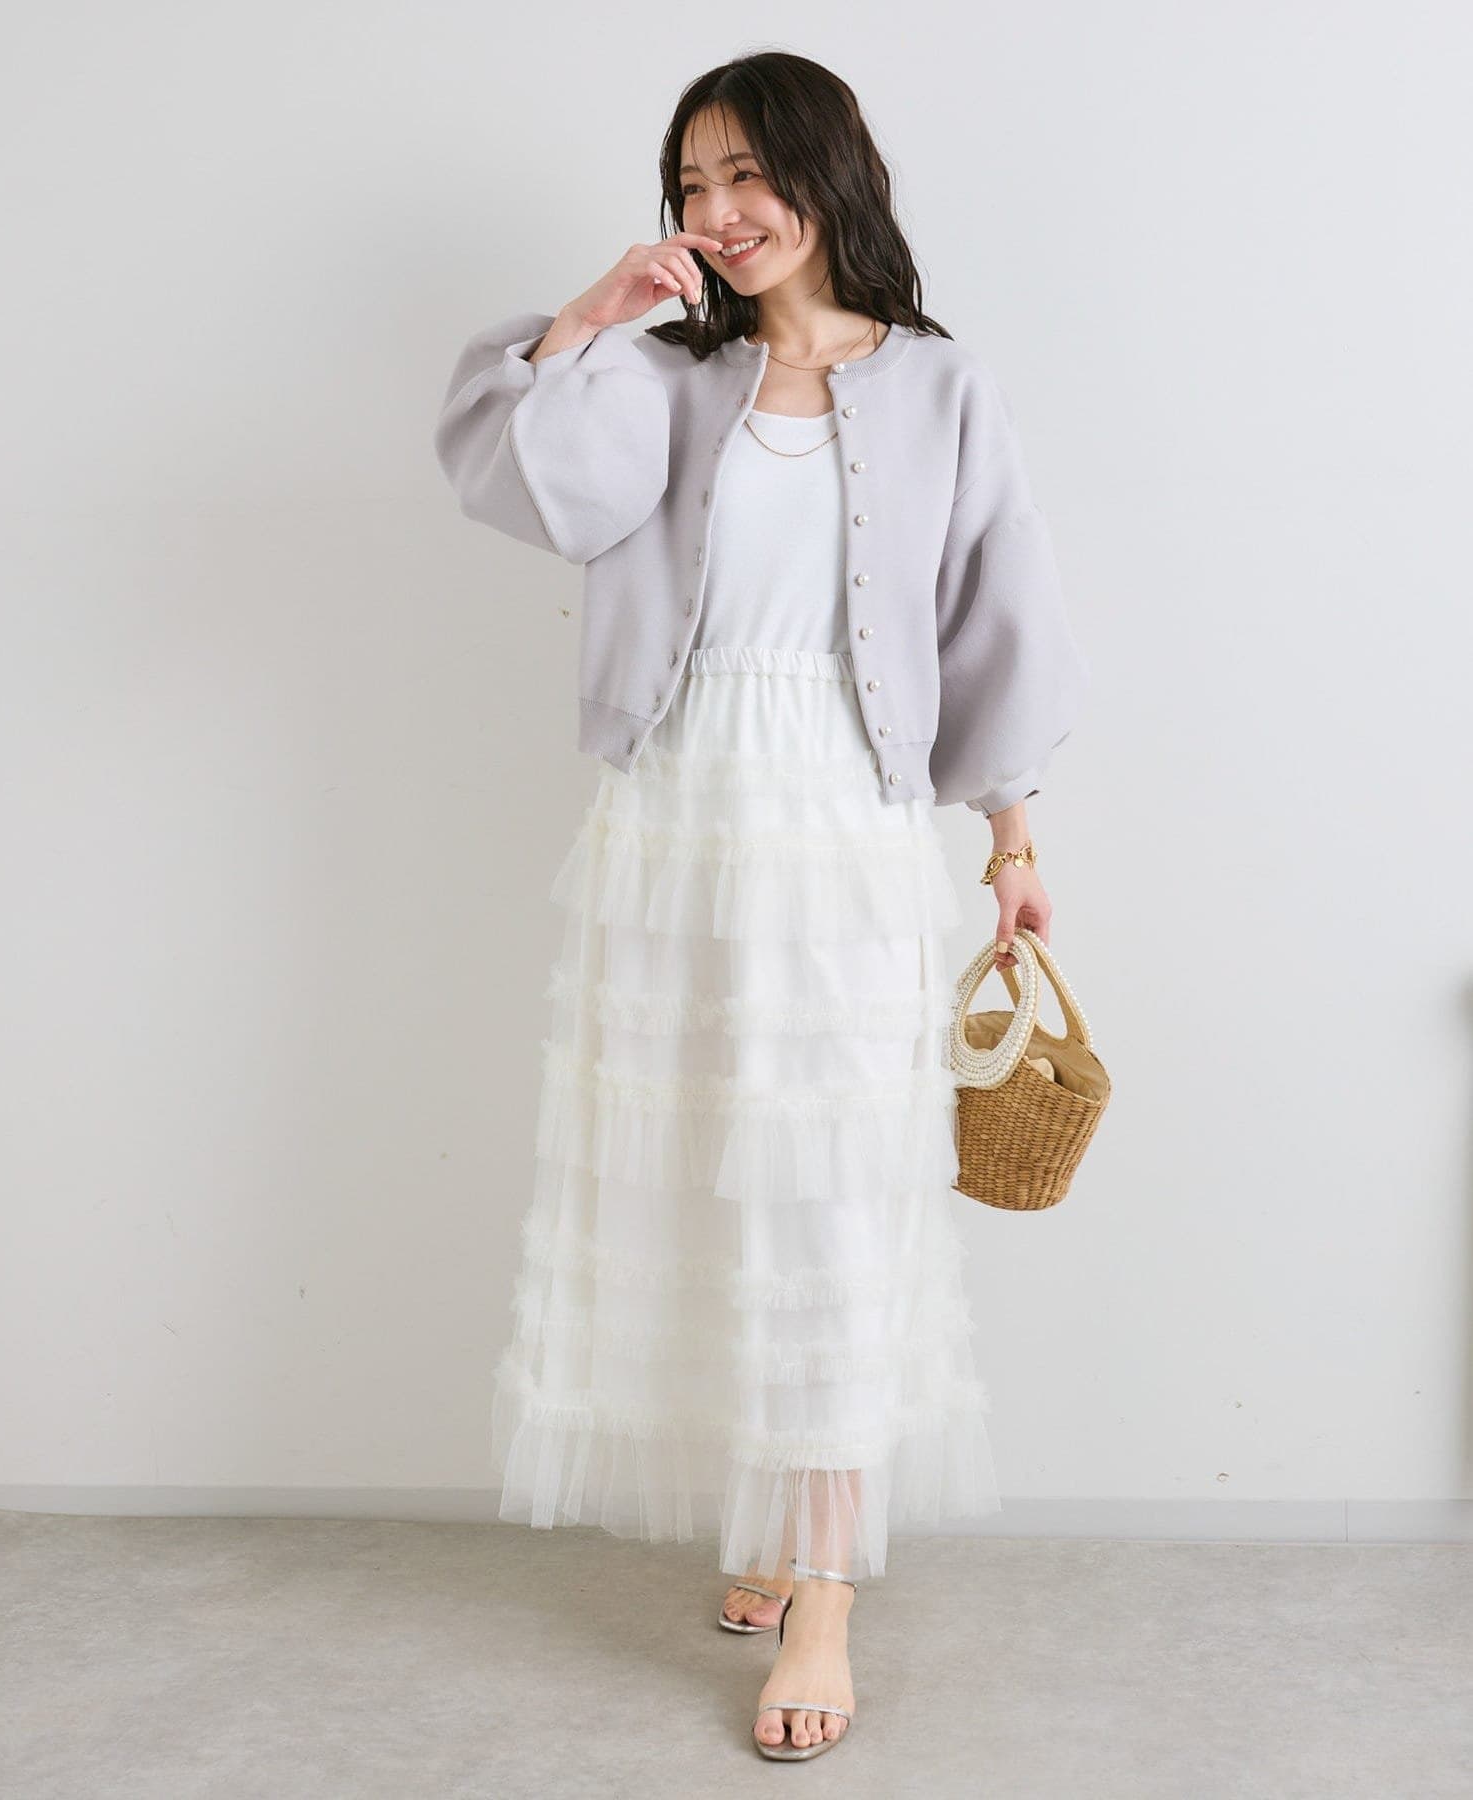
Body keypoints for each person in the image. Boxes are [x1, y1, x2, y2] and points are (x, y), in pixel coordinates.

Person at [432, 51, 1089, 1763]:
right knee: (707, 1183)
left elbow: (995, 610)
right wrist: (593, 311)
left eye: (746, 177)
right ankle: (774, 1522)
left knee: (837, 1202)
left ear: (825, 175)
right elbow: (518, 485)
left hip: (843, 824)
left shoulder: (941, 388)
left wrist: (1012, 841)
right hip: (672, 813)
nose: (718, 215)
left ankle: (826, 1597)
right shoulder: (658, 379)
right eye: (690, 186)